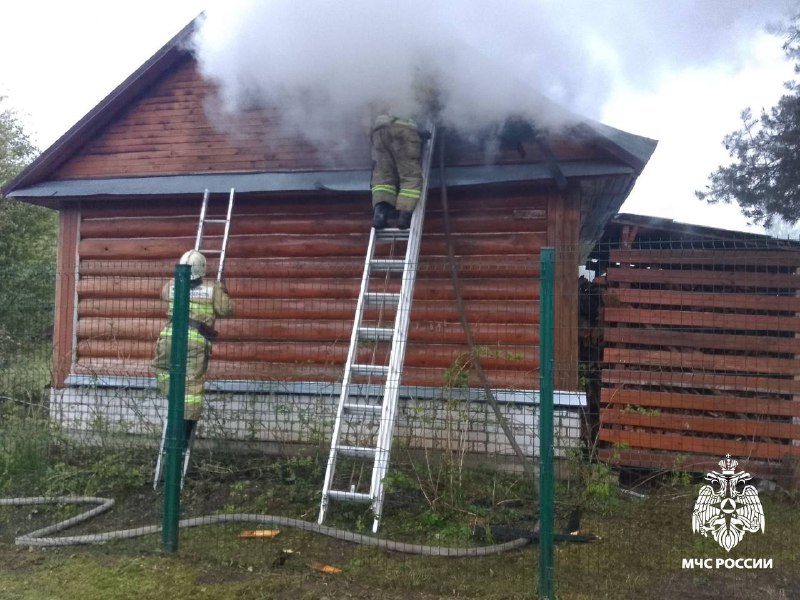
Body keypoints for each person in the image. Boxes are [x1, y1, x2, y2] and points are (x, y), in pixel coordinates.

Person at [151, 250, 234, 448]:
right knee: (192, 389)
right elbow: (228, 310)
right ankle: (183, 436)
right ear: (203, 269)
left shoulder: (172, 285)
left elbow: (163, 296)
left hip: (169, 338)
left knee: (163, 371)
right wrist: (221, 290)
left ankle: (173, 399)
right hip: (195, 342)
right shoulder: (212, 289)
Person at [370, 114, 423, 230]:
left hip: (380, 131)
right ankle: (404, 218)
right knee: (410, 177)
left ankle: (379, 216)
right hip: (404, 131)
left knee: (383, 178)